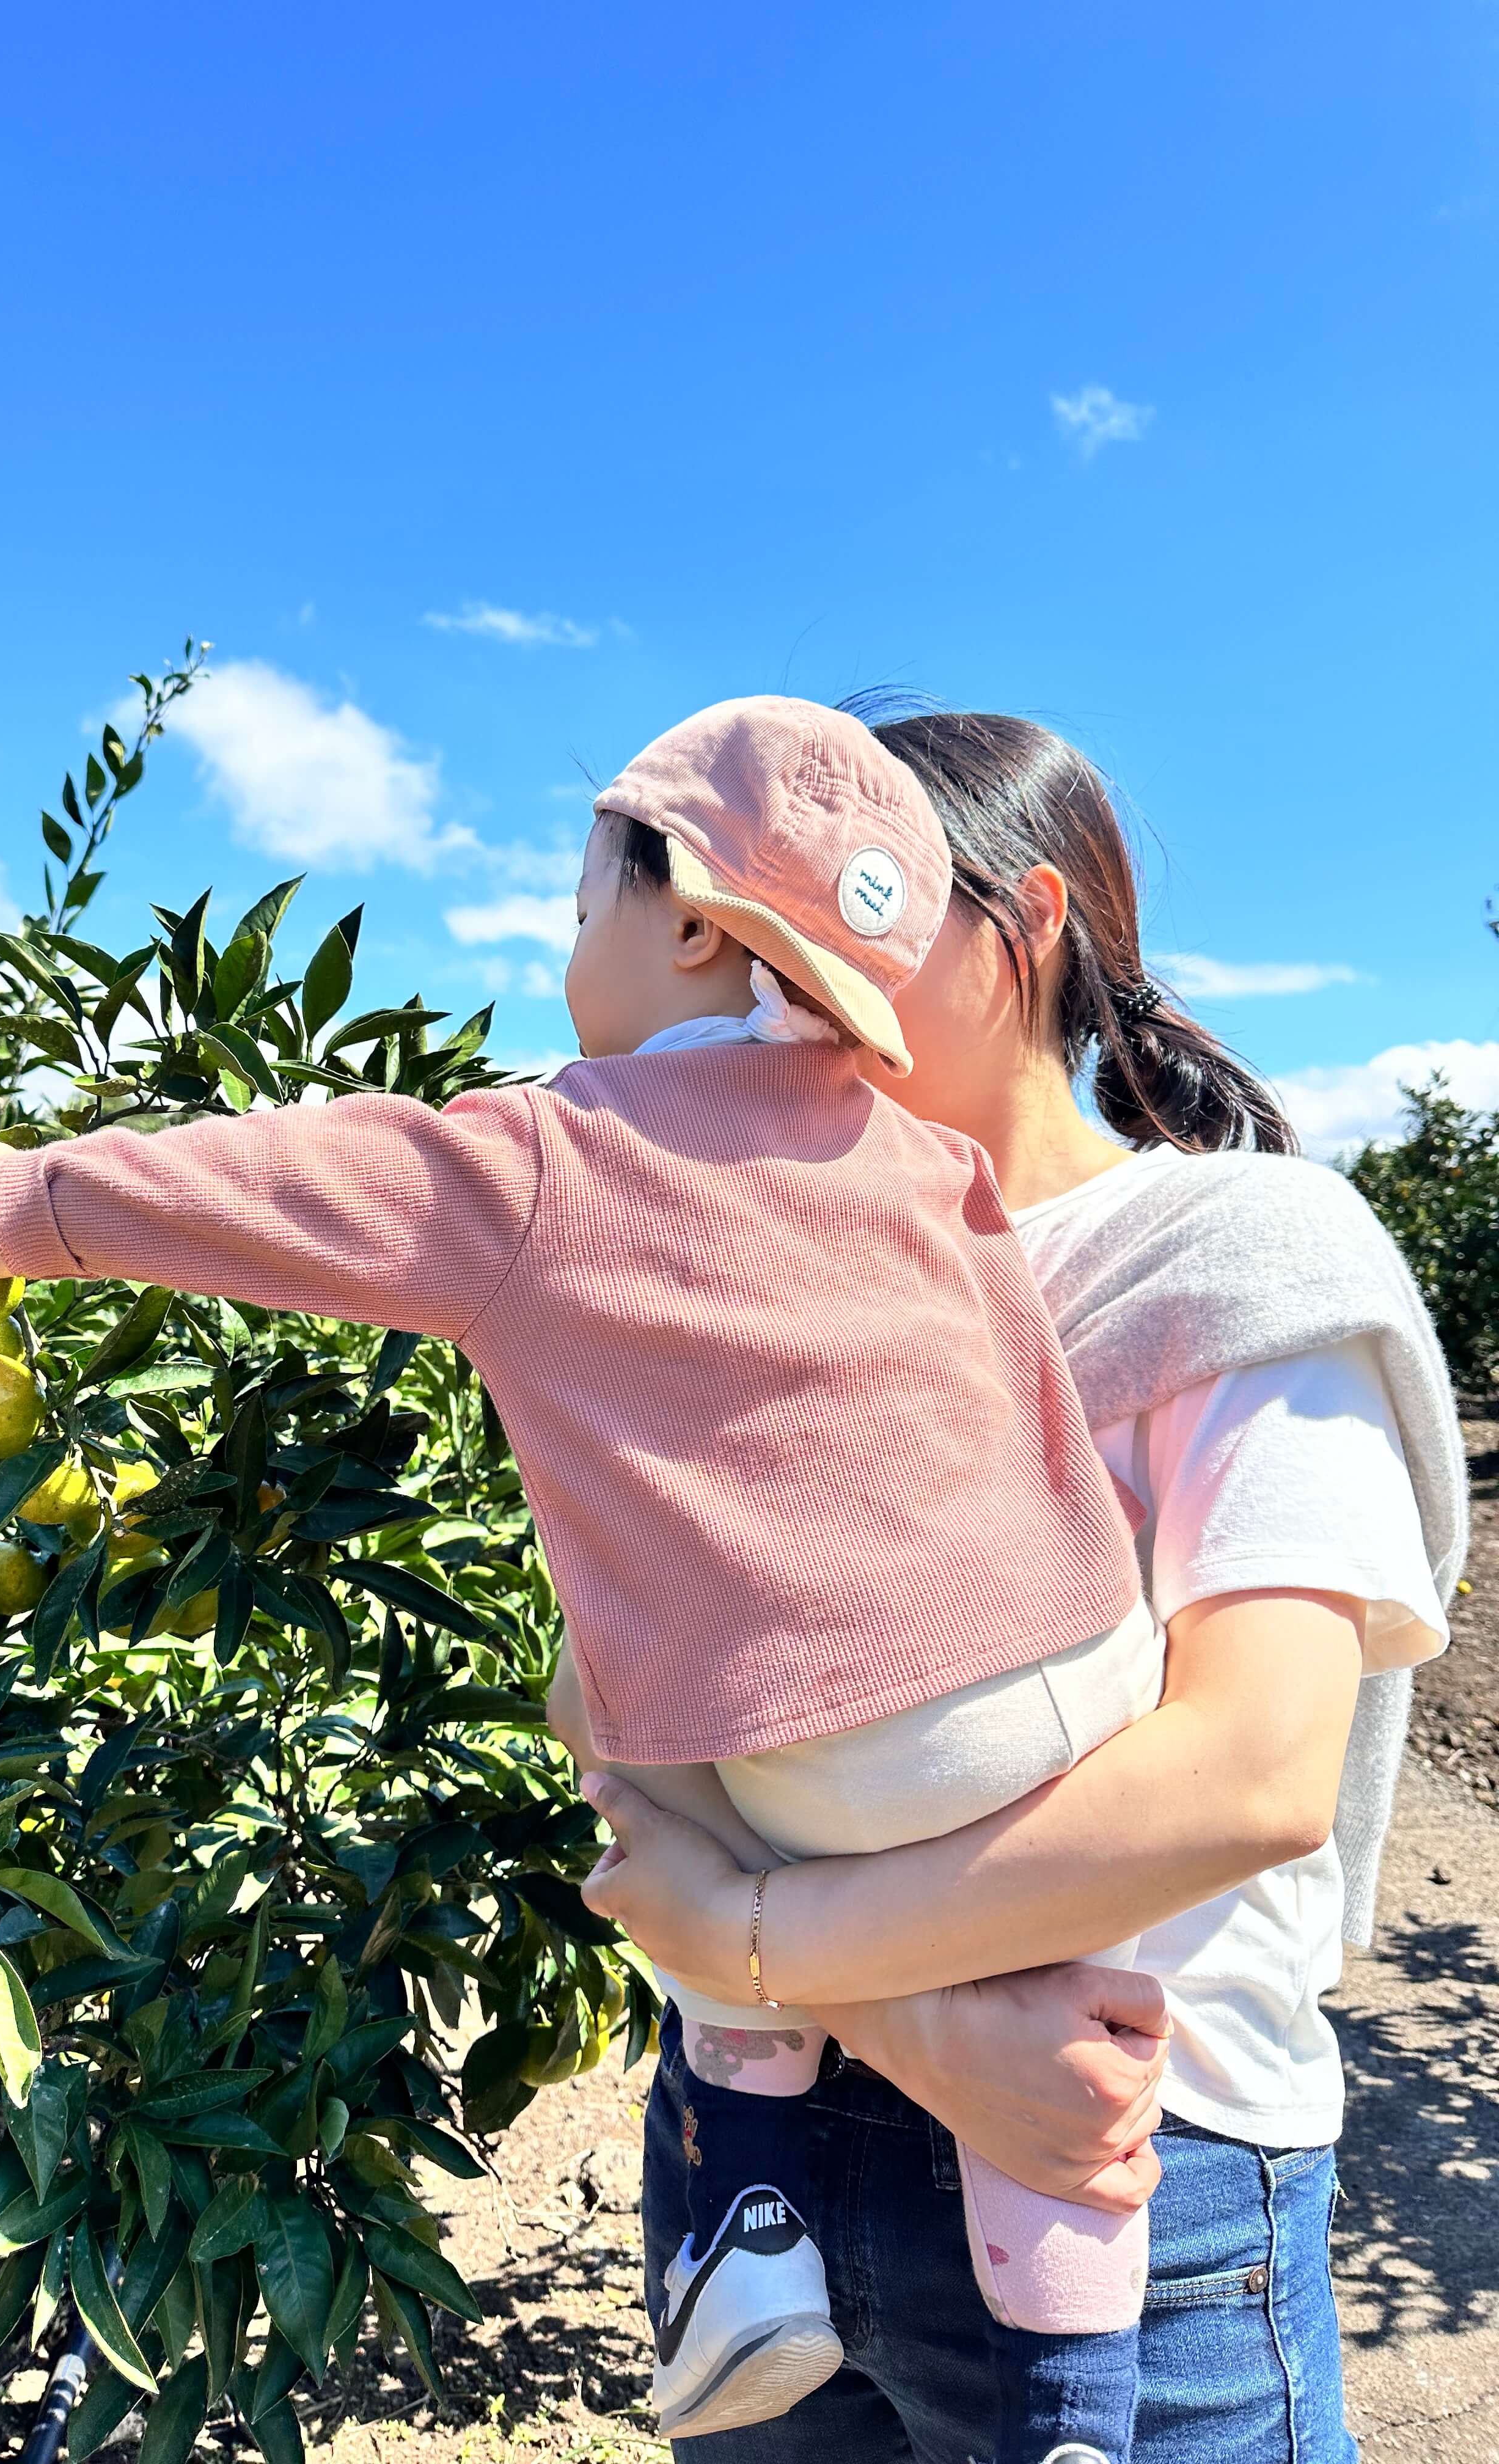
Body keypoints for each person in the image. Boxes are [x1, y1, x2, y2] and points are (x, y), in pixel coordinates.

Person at [0, 697, 1175, 2464]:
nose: (562, 941)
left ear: (690, 918)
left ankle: (747, 2216)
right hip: (1083, 1672)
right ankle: (1078, 2411)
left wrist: (35, 1201)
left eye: (581, 895)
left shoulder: (552, 1156)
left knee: (635, 1723)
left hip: (846, 1746)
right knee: (1068, 2050)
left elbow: (288, 1186)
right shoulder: (921, 1155)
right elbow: (1017, 1391)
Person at [577, 704, 1468, 2464]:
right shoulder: (743, 1282)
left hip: (1141, 2161)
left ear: (1027, 923)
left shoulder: (1230, 1252)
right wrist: (894, 2018)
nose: (778, 974)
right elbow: (632, 1697)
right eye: (752, 927)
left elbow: (1248, 1775)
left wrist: (758, 1943)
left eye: (843, 906)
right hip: (758, 2152)